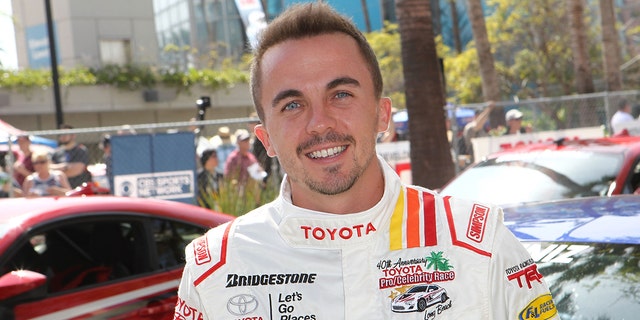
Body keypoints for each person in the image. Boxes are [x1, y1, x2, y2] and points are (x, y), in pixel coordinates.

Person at [174, 3, 558, 319]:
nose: (319, 122)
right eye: (292, 104)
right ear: (266, 138)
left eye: (340, 94)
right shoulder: (216, 268)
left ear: (382, 115)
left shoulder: (479, 243)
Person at [49, 124, 92, 188]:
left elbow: (77, 170)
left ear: (73, 136)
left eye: (65, 134)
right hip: (62, 189)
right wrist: (64, 167)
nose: (62, 136)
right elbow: (49, 168)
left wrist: (60, 173)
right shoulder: (56, 152)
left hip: (79, 187)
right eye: (61, 134)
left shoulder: (80, 150)